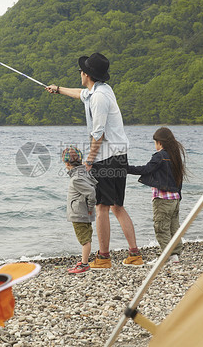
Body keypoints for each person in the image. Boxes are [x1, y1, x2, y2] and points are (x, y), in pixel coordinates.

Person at [46, 52, 143, 268]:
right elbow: (80, 94)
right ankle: (134, 254)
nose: (80, 73)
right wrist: (58, 89)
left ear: (87, 74)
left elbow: (98, 134)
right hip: (118, 155)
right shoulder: (100, 91)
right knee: (117, 206)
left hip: (107, 157)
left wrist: (89, 161)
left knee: (101, 208)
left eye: (82, 70)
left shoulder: (99, 98)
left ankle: (104, 257)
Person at [128, 127, 187, 263]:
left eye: (155, 142)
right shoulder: (175, 156)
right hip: (175, 199)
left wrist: (126, 168)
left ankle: (167, 255)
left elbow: (146, 169)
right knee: (174, 227)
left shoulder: (160, 156)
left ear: (160, 143)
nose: (155, 145)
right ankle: (176, 254)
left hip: (163, 199)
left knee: (161, 228)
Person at [62, 146, 97, 274]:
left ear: (66, 163)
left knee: (84, 240)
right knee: (86, 238)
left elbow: (91, 192)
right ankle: (84, 261)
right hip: (84, 212)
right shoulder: (83, 172)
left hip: (79, 213)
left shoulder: (76, 178)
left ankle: (84, 264)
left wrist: (90, 208)